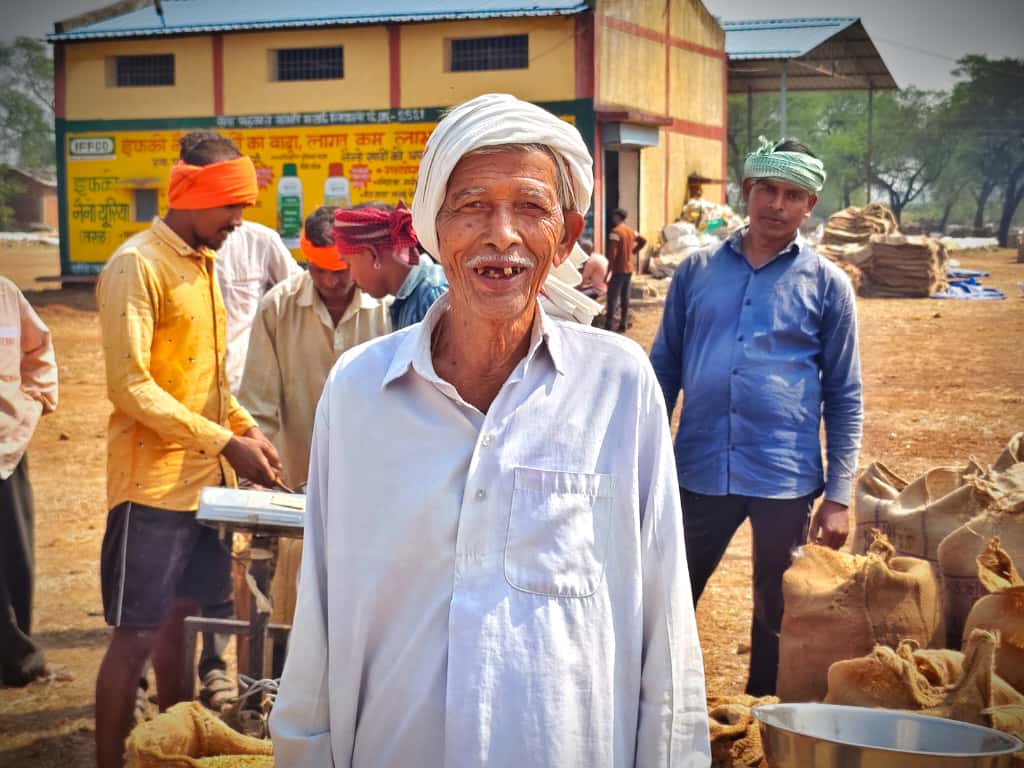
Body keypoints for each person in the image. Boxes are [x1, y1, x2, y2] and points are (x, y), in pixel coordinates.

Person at [270, 93, 710, 767]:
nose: (500, 233)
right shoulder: (359, 394)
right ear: (432, 230)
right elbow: (321, 617)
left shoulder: (617, 387)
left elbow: (666, 626)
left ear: (565, 237)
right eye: (472, 205)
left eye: (529, 207)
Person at [94, 131, 282, 768]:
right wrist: (225, 438)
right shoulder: (137, 264)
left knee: (183, 617)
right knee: (135, 637)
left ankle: (170, 751)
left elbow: (209, 384)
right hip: (150, 486)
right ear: (198, 197)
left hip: (202, 483)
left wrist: (245, 428)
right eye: (234, 207)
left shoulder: (202, 264)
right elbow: (131, 388)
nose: (239, 221)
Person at [649, 136, 863, 697]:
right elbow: (661, 372)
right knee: (667, 594)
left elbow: (844, 394)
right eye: (766, 189)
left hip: (783, 475)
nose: (777, 203)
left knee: (777, 607)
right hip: (697, 469)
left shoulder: (829, 286)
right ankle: (657, 706)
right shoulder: (695, 271)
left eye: (793, 194)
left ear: (810, 205)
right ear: (746, 190)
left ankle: (760, 718)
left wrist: (839, 495)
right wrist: (641, 460)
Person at [199, 219, 300, 711]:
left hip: (245, 424)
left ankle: (272, 683)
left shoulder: (258, 242)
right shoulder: (156, 262)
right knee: (216, 552)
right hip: (205, 423)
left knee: (266, 569)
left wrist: (251, 438)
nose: (232, 218)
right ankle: (214, 668)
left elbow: (286, 303)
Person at [0, 277, 60, 687]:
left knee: (15, 557)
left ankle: (17, 659)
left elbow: (38, 347)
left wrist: (35, 400)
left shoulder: (5, 294)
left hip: (6, 446)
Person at [216, 220, 301, 394]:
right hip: (182, 396)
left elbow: (300, 293)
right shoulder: (159, 251)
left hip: (243, 390)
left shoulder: (260, 241)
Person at [335, 201, 448, 329]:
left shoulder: (433, 298)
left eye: (349, 264)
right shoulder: (412, 299)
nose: (351, 278)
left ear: (373, 255)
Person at [605, 207, 646, 332]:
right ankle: (623, 322)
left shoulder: (615, 232)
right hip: (628, 269)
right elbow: (643, 241)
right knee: (625, 297)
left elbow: (612, 253)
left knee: (612, 297)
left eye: (614, 216)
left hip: (618, 269)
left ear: (617, 217)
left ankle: (609, 324)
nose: (612, 218)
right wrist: (633, 251)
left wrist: (608, 270)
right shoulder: (631, 231)